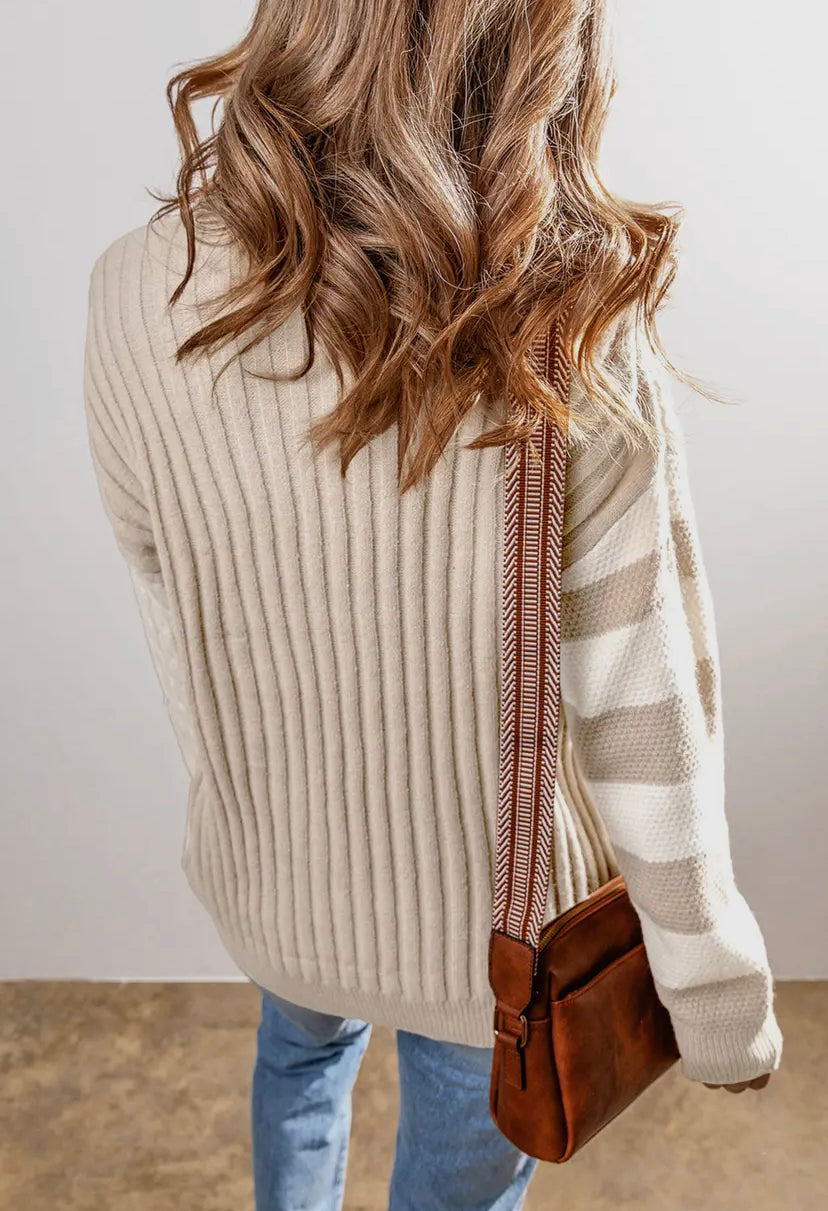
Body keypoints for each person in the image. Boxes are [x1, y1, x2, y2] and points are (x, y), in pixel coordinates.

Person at [83, 1, 783, 1206]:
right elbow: (644, 703)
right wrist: (714, 995)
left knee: (298, 1058)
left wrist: (244, 808)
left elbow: (169, 599)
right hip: (488, 945)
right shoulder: (568, 316)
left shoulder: (134, 290)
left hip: (279, 880)